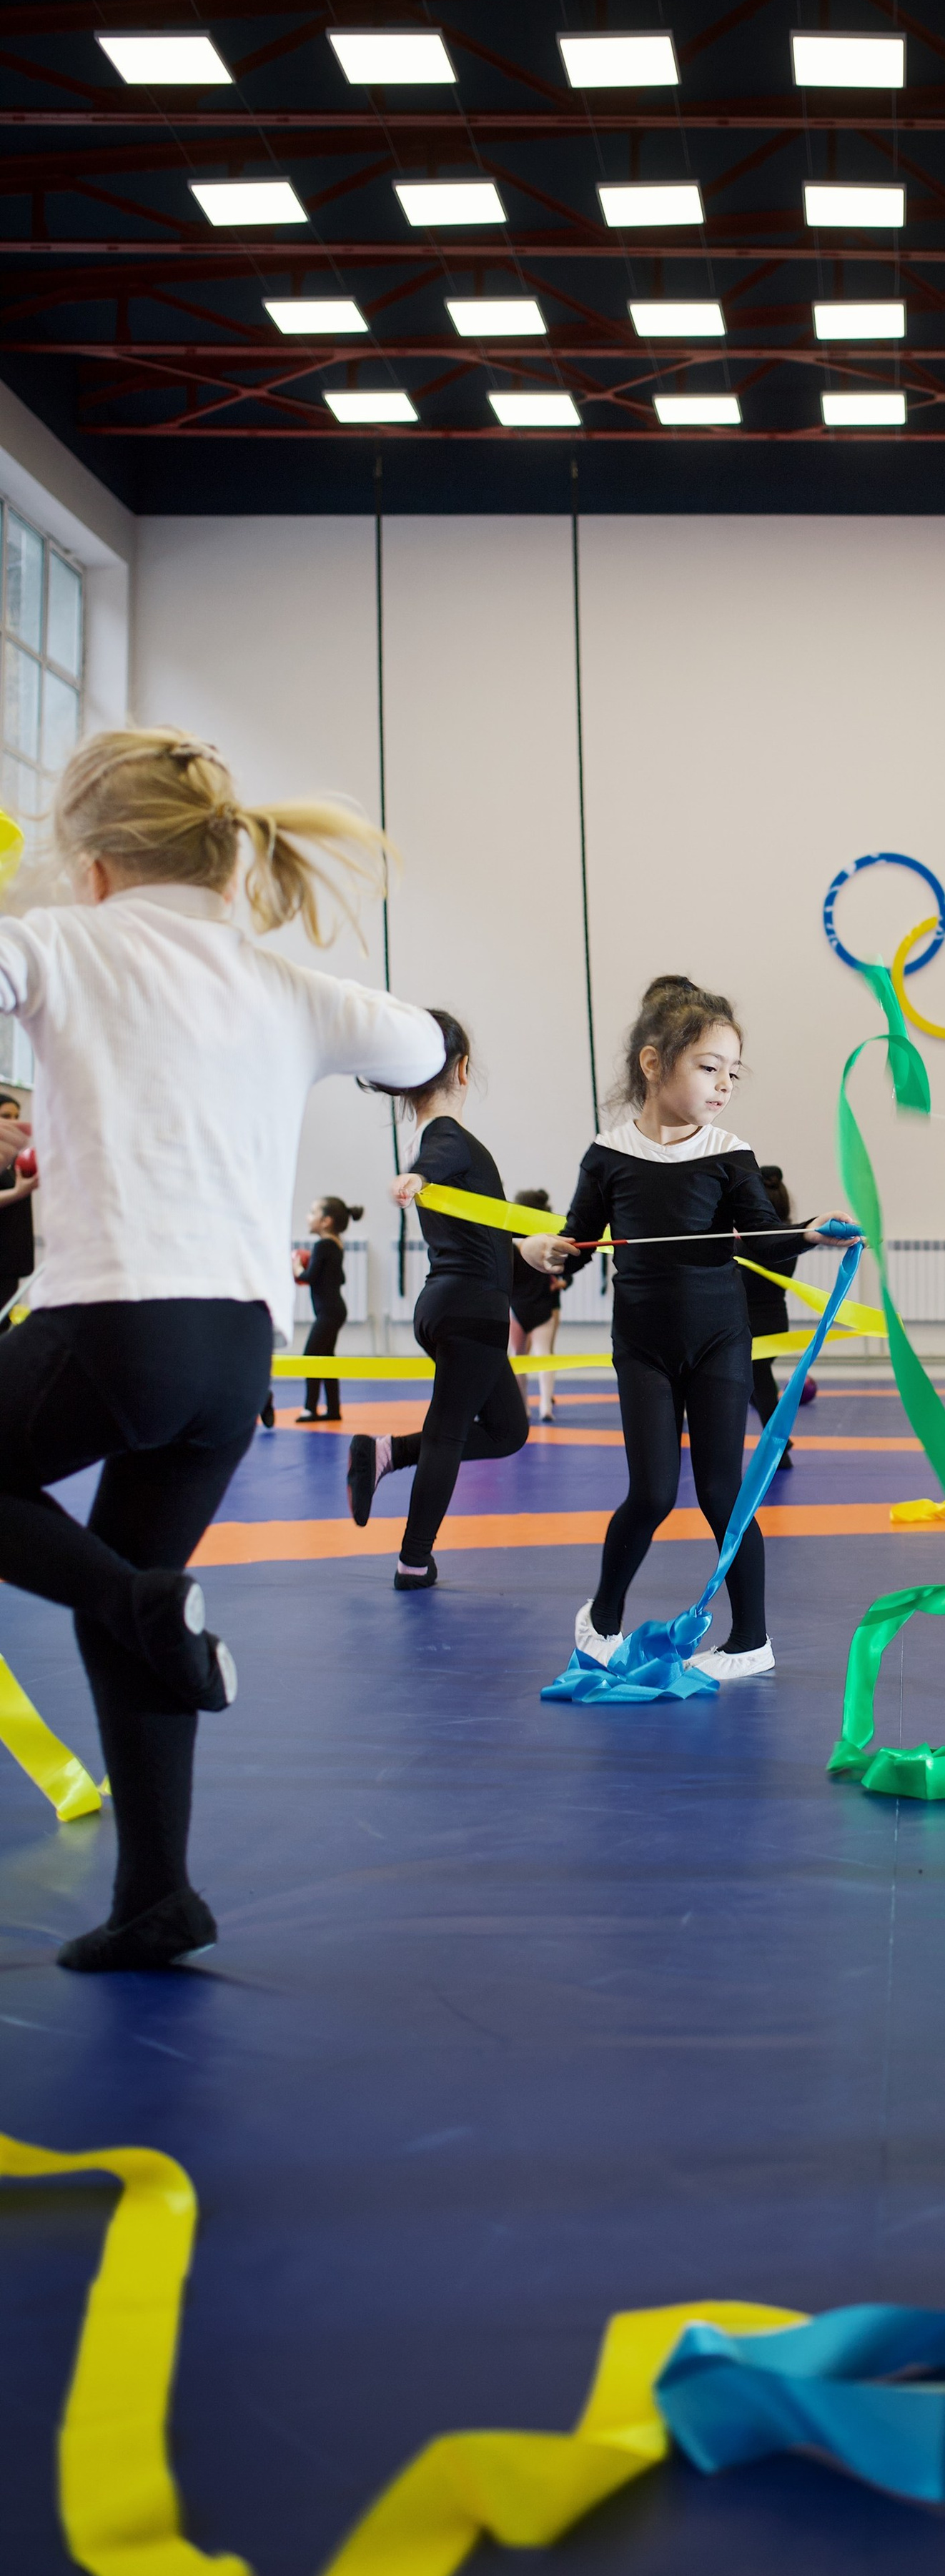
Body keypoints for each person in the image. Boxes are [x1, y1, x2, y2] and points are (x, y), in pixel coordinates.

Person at [0, 725, 443, 1971]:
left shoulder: (61, 946)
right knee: (133, 1618)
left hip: (114, 1319)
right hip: (234, 1353)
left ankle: (138, 1600)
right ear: (230, 862)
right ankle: (158, 1897)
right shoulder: (278, 984)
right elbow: (418, 1047)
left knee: (123, 1595)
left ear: (91, 863)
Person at [519, 976, 847, 1683]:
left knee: (723, 1495)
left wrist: (810, 1233)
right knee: (652, 1495)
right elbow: (576, 1245)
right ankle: (600, 1620)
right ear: (653, 1064)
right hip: (642, 1346)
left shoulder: (730, 1151)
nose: (724, 1084)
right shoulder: (607, 1156)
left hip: (719, 1341)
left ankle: (750, 1640)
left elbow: (760, 1239)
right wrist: (543, 1252)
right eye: (708, 1067)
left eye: (733, 1071)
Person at [345, 1016, 529, 1588]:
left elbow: (488, 1228)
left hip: (453, 1304)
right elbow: (439, 1156)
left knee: (507, 1430)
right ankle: (413, 1560)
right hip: (470, 1309)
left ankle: (386, 1453)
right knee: (448, 1432)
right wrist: (417, 1177)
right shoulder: (445, 1136)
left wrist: (535, 1245)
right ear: (463, 1069)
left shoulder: (431, 1138)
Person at [743, 1165, 811, 1473]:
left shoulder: (748, 1242)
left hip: (750, 1328)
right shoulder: (790, 1239)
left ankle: (779, 1447)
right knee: (756, 1386)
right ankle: (780, 1443)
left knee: (761, 1387)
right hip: (773, 1324)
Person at [295, 1193, 360, 1421]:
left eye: (313, 1213)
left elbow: (310, 1277)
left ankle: (309, 1409)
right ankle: (334, 1410)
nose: (308, 1217)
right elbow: (339, 1278)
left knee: (310, 1357)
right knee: (326, 1360)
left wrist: (296, 1267)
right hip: (334, 1311)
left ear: (326, 1221)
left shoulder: (323, 1245)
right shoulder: (335, 1245)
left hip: (329, 1312)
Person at [509, 1187, 562, 1424]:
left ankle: (524, 1407)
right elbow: (563, 1268)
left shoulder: (514, 1241)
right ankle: (543, 1405)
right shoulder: (547, 1240)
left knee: (521, 1357)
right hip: (539, 1307)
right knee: (543, 1356)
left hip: (521, 1308)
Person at [0, 1090, 39, 1327]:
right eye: (6, 1116)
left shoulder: (17, 1160)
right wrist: (17, 1193)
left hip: (9, 1261)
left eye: (17, 1116)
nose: (14, 1123)